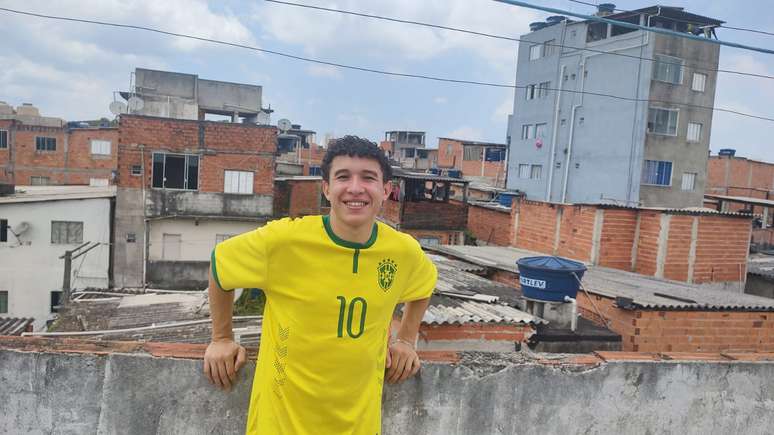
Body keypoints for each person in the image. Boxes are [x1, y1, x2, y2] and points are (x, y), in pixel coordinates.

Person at [204, 136, 437, 434]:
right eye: (343, 177)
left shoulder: (403, 251)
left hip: (359, 426)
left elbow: (424, 284)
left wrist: (406, 340)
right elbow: (220, 263)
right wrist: (222, 337)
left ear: (386, 190)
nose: (355, 188)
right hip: (279, 425)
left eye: (368, 178)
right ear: (327, 189)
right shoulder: (285, 241)